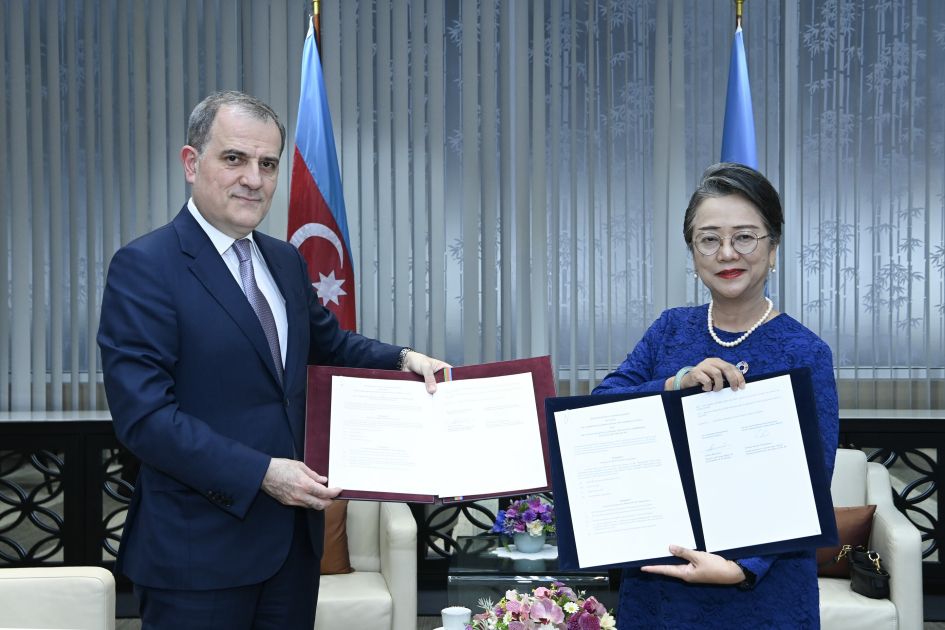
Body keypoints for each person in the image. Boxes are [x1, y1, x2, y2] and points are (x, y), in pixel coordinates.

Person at [97, 90, 448, 629]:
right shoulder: (145, 266)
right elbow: (145, 420)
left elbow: (330, 345)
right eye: (234, 158)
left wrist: (404, 360)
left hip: (291, 551)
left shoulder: (283, 260)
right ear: (191, 163)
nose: (253, 179)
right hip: (198, 555)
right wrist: (262, 473)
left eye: (267, 164)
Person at [593, 162, 839, 629]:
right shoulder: (670, 329)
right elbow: (602, 406)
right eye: (709, 239)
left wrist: (742, 567)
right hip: (661, 579)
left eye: (745, 237)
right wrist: (675, 383)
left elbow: (810, 483)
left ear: (773, 248)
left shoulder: (806, 351)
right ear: (693, 252)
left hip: (763, 591)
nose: (727, 253)